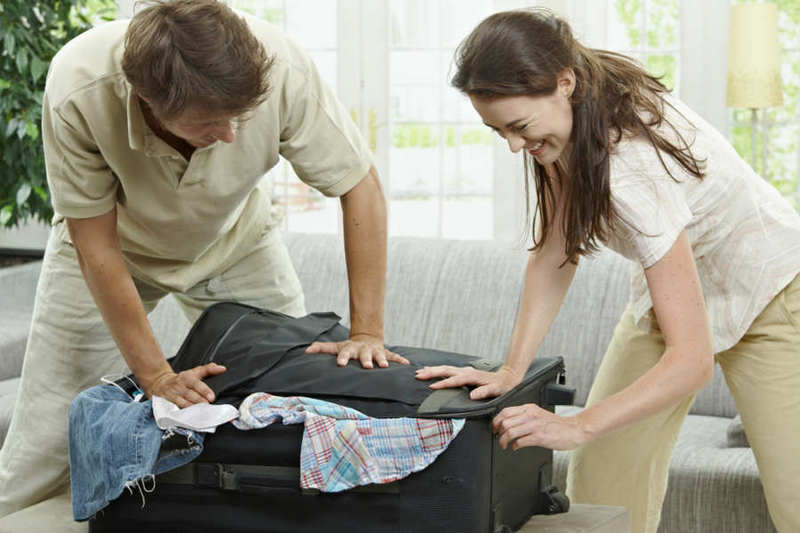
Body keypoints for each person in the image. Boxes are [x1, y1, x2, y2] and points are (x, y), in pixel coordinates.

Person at [0, 0, 408, 519]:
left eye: (240, 116)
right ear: (146, 98)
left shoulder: (281, 68)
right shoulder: (79, 85)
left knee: (284, 393)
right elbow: (94, 243)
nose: (232, 135)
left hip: (235, 240)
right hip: (113, 247)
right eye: (212, 121)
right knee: (47, 430)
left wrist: (367, 331)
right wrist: (155, 376)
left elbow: (359, 185)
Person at [415, 9, 800, 533]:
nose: (513, 145)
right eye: (498, 130)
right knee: (601, 480)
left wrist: (577, 425)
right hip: (672, 296)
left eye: (518, 127)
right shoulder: (568, 120)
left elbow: (691, 362)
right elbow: (556, 249)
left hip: (770, 290)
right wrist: (511, 370)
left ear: (564, 83)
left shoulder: (631, 171)